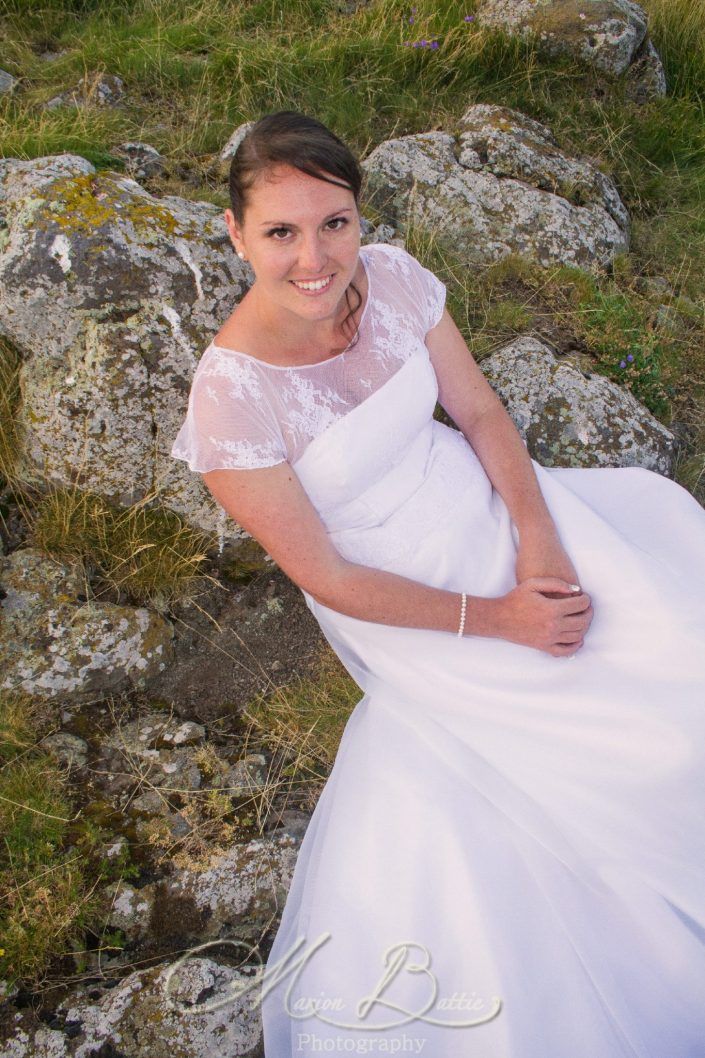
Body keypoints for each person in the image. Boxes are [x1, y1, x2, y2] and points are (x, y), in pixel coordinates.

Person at [171, 110, 705, 1057]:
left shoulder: (399, 280)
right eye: (281, 232)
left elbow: (477, 408)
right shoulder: (230, 403)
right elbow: (327, 575)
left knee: (674, 650)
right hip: (408, 601)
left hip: (495, 514)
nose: (314, 257)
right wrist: (500, 618)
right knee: (627, 746)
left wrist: (539, 540)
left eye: (334, 223)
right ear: (234, 233)